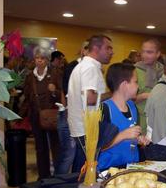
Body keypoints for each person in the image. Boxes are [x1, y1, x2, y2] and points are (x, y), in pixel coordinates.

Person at [67, 35, 113, 172]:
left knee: (82, 165)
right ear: (96, 48)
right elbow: (90, 99)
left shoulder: (85, 65)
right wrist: (114, 93)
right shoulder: (90, 67)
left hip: (83, 126)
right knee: (86, 169)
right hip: (85, 127)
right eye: (108, 48)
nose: (112, 52)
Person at [98, 63, 149, 171]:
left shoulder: (132, 106)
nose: (138, 86)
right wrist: (123, 135)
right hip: (109, 169)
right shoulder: (104, 109)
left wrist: (139, 139)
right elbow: (98, 148)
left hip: (132, 166)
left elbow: (132, 137)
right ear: (124, 85)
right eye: (135, 82)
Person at [21, 47, 62, 179]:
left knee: (56, 146)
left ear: (47, 60)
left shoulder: (54, 74)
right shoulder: (29, 76)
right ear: (34, 60)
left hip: (51, 116)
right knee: (40, 147)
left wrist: (54, 91)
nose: (39, 61)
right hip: (35, 115)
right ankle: (43, 175)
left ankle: (59, 174)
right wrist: (21, 115)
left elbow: (62, 95)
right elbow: (27, 96)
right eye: (37, 58)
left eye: (42, 58)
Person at [54, 41, 89, 175]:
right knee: (68, 154)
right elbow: (70, 94)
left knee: (79, 156)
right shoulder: (74, 67)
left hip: (81, 116)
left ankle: (72, 184)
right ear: (83, 51)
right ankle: (57, 184)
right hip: (70, 115)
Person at [135, 39, 164, 134]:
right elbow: (126, 100)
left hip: (160, 119)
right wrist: (144, 96)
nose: (144, 55)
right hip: (140, 118)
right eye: (143, 51)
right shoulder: (134, 71)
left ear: (158, 54)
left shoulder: (164, 72)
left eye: (149, 52)